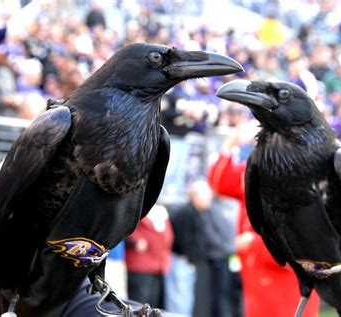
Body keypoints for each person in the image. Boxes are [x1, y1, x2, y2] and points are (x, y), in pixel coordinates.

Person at [208, 123, 320, 317]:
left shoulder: (300, 186)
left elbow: (303, 244)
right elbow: (221, 184)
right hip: (257, 277)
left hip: (287, 285)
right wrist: (230, 145)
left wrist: (254, 243)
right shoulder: (258, 173)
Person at [165, 180, 212, 316]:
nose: (209, 200)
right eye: (206, 197)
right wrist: (189, 256)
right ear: (196, 196)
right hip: (181, 260)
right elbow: (181, 240)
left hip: (187, 262)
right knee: (178, 299)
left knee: (185, 298)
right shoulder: (186, 213)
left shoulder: (196, 212)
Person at [125, 204, 174, 309]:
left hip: (158, 266)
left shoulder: (161, 212)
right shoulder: (137, 211)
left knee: (153, 304)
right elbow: (126, 230)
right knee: (139, 304)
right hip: (140, 267)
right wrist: (135, 242)